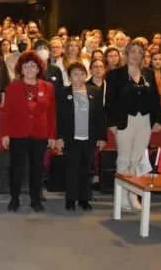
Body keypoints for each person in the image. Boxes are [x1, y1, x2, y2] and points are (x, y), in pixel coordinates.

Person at [105, 41, 161, 212]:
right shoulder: (115, 74)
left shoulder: (149, 73)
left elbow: (155, 99)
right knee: (124, 159)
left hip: (144, 121)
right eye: (133, 51)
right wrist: (112, 123)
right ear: (127, 53)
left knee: (137, 160)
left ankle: (133, 194)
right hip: (124, 121)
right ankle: (121, 196)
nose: (136, 55)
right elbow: (110, 101)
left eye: (140, 52)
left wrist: (157, 120)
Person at [0, 50, 56, 213]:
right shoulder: (13, 87)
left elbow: (52, 113)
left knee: (37, 168)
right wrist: (5, 133)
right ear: (21, 69)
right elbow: (7, 113)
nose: (30, 69)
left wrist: (52, 135)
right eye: (26, 66)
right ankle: (14, 198)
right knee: (16, 168)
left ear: (39, 69)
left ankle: (35, 199)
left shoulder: (48, 87)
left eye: (33, 66)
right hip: (18, 133)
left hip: (40, 133)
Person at [56, 63, 107, 212]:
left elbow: (99, 116)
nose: (79, 77)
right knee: (71, 169)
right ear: (70, 77)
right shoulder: (62, 93)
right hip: (71, 137)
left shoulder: (95, 92)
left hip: (89, 137)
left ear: (87, 75)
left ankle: (84, 199)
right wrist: (59, 137)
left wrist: (102, 137)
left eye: (82, 74)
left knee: (86, 170)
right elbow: (59, 117)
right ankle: (70, 199)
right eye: (75, 74)